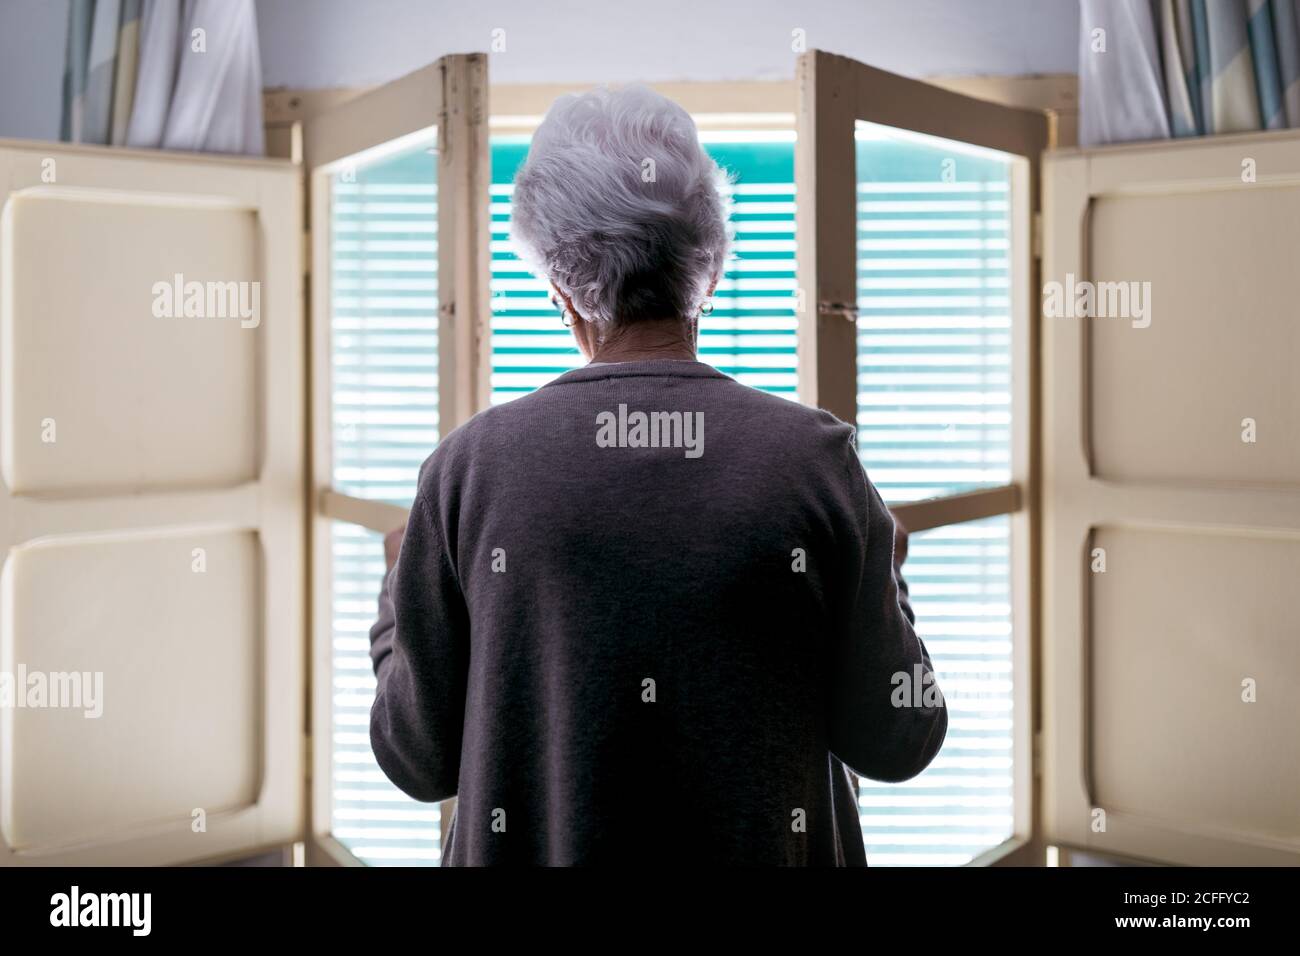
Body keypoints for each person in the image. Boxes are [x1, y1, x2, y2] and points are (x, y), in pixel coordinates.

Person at [369, 85, 946, 865]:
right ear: (706, 269)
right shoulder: (815, 462)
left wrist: (399, 590)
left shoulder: (470, 470)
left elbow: (415, 757)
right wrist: (888, 574)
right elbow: (900, 739)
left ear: (561, 290)